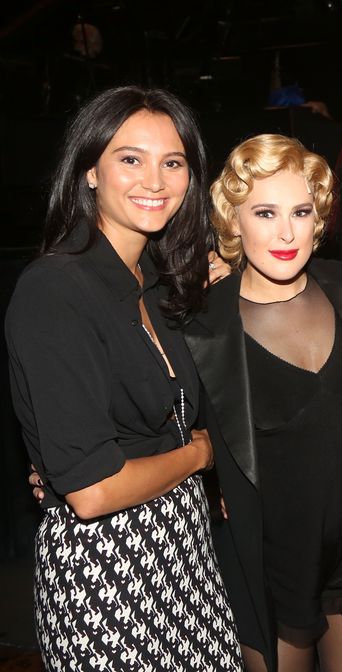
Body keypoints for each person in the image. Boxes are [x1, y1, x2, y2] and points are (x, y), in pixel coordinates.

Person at [6, 86, 242, 669]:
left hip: (184, 555)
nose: (154, 181)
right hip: (105, 573)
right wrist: (201, 455)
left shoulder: (159, 287)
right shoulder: (55, 289)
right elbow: (93, 492)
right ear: (90, 171)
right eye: (130, 159)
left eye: (173, 162)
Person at [185, 134, 342, 672]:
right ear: (234, 220)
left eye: (300, 211)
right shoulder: (204, 324)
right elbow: (161, 417)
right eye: (265, 212)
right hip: (267, 563)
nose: (284, 232)